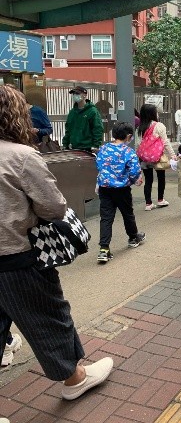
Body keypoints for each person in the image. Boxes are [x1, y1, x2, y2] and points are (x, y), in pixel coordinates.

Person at [0, 85, 113, 403]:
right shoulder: (20, 156)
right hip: (16, 257)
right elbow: (52, 206)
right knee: (48, 316)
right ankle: (75, 378)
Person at [96, 122, 145, 263]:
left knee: (106, 217)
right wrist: (135, 180)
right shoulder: (128, 152)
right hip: (122, 189)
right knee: (127, 213)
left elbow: (98, 165)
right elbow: (135, 171)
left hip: (105, 188)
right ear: (128, 136)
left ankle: (104, 249)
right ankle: (133, 237)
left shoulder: (103, 148)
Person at [136, 103, 176, 211]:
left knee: (148, 180)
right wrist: (172, 155)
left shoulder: (140, 128)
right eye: (156, 112)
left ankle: (148, 203)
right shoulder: (159, 126)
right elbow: (165, 142)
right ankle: (160, 199)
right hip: (157, 156)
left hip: (145, 157)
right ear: (152, 114)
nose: (157, 114)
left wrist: (138, 157)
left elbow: (138, 144)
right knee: (161, 178)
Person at [62, 86, 104, 152]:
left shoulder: (92, 111)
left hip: (88, 148)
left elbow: (98, 128)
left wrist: (96, 145)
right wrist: (65, 144)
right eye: (74, 94)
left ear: (84, 95)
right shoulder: (72, 112)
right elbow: (68, 129)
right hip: (74, 147)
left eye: (77, 93)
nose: (75, 95)